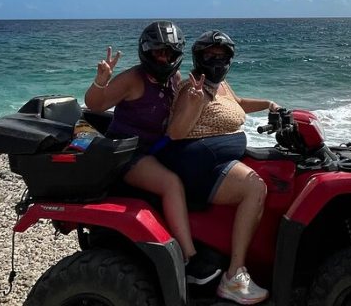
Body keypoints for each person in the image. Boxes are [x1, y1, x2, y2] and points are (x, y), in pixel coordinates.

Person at [83, 20, 221, 286]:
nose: (164, 58)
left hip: (157, 149)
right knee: (171, 184)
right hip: (127, 153)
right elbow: (96, 104)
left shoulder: (174, 79)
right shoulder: (133, 79)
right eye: (158, 52)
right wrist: (101, 81)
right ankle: (189, 260)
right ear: (146, 51)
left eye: (169, 53)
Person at [159, 30, 280, 305]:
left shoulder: (221, 84)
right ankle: (234, 276)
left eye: (222, 55)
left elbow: (238, 104)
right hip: (198, 166)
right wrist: (193, 102)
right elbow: (175, 132)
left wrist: (268, 104)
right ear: (198, 58)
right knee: (255, 188)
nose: (216, 60)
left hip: (217, 161)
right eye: (210, 55)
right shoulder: (192, 88)